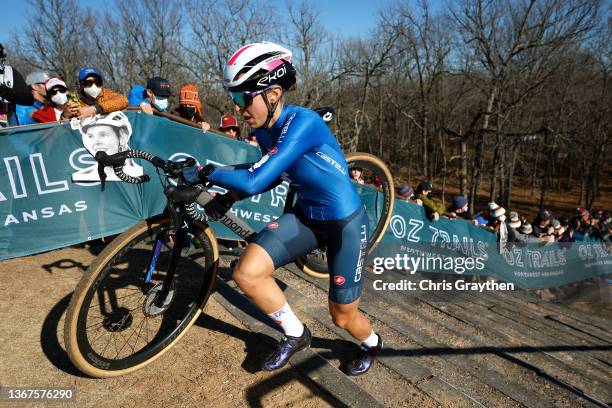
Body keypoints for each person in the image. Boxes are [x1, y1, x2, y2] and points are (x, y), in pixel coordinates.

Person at [181, 41, 381, 376]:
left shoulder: (303, 123)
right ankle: (296, 333)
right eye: (234, 98)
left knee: (342, 316)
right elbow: (273, 173)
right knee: (247, 273)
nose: (239, 107)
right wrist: (230, 196)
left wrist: (206, 172)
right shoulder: (263, 129)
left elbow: (256, 181)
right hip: (307, 216)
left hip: (345, 223)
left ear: (273, 94)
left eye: (244, 98)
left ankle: (373, 343)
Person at [70, 111, 143, 181]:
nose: (96, 142)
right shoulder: (83, 176)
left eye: (103, 135)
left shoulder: (140, 171)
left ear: (122, 137)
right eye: (90, 136)